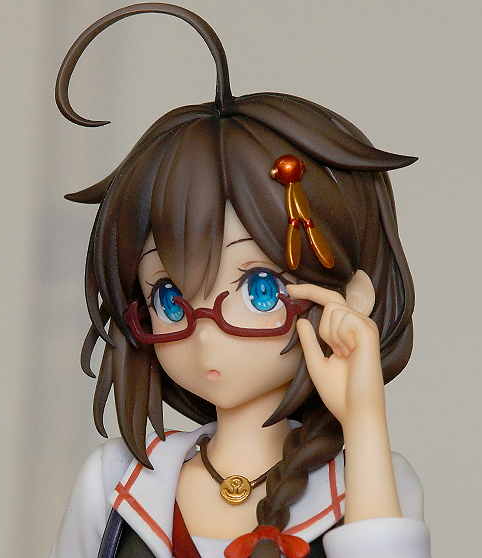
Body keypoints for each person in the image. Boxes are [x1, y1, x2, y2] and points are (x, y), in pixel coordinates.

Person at [51, 4, 431, 557]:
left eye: (259, 289)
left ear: (348, 300)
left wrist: (364, 418)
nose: (206, 333)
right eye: (169, 297)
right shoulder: (113, 484)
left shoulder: (371, 483)